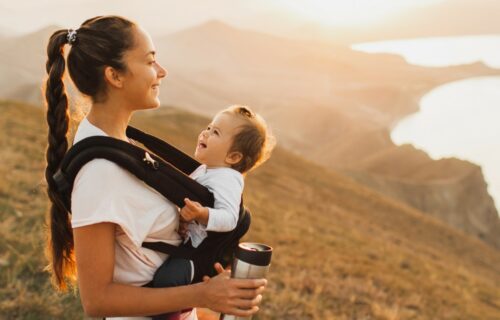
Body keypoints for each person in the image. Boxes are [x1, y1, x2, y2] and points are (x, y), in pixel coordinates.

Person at [43, 15, 266, 319]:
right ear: (115, 76)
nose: (162, 71)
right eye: (150, 62)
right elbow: (97, 301)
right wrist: (203, 294)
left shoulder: (118, 144)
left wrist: (209, 293)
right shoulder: (99, 173)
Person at [152, 104, 275, 290]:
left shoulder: (227, 179)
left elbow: (229, 219)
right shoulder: (206, 169)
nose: (205, 133)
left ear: (233, 157)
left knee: (167, 279)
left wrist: (202, 214)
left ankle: (169, 315)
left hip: (198, 254)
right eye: (209, 127)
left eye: (215, 132)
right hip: (188, 241)